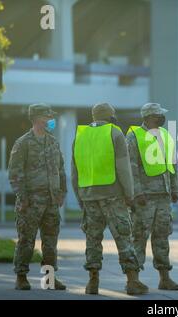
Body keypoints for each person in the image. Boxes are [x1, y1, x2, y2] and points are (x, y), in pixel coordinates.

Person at [71, 102, 148, 295]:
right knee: (123, 237)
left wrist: (80, 196)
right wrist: (129, 193)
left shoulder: (80, 135)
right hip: (112, 195)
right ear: (111, 116)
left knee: (92, 239)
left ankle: (92, 282)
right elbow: (123, 167)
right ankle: (132, 281)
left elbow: (75, 171)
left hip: (89, 196)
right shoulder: (115, 133)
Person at [8, 103, 67, 290]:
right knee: (26, 240)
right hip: (30, 202)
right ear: (37, 119)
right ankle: (21, 276)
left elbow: (61, 169)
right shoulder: (23, 143)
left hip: (51, 201)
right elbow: (15, 174)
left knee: (50, 243)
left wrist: (62, 192)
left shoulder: (53, 142)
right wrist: (23, 198)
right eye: (48, 117)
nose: (51, 120)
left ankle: (49, 279)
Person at [126, 102, 178, 291]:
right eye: (158, 115)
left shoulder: (165, 136)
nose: (161, 118)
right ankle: (132, 280)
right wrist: (137, 192)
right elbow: (130, 168)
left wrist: (175, 189)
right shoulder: (134, 137)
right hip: (145, 197)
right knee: (139, 237)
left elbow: (173, 164)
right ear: (149, 116)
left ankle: (164, 278)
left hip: (164, 197)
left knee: (162, 237)